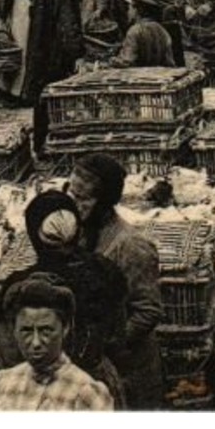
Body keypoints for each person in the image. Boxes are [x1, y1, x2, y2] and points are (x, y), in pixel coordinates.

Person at [0, 191, 128, 402]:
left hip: (40, 386)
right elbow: (119, 333)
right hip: (99, 380)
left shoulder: (22, 286)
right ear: (77, 231)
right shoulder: (106, 272)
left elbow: (9, 351)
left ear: (34, 233)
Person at [67, 154, 163, 409]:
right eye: (71, 195)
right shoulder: (78, 235)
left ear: (104, 202)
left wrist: (107, 346)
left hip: (128, 371)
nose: (74, 204)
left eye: (83, 198)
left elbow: (147, 310)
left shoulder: (130, 246)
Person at [0, 276, 113, 412]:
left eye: (45, 330)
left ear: (65, 328)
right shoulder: (1, 385)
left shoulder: (86, 393)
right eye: (26, 331)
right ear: (14, 330)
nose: (36, 342)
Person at [25, 0, 87, 152]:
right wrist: (77, 54)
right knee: (55, 100)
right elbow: (67, 27)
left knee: (42, 101)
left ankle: (41, 145)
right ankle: (54, 144)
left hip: (38, 49)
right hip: (54, 54)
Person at [112, 0, 174, 68]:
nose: (128, 12)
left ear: (137, 10)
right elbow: (169, 62)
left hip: (139, 77)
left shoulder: (134, 31)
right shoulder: (161, 29)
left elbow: (127, 61)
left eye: (130, 8)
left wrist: (113, 61)